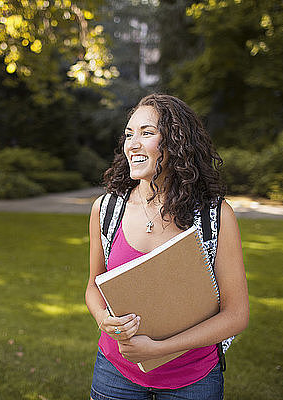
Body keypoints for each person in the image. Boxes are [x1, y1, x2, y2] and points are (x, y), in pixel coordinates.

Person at [85, 94, 249, 400]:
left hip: (193, 380)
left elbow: (236, 315)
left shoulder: (214, 216)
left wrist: (159, 350)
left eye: (147, 133)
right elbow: (94, 286)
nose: (132, 144)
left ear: (176, 142)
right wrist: (102, 319)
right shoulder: (106, 209)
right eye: (129, 134)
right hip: (114, 373)